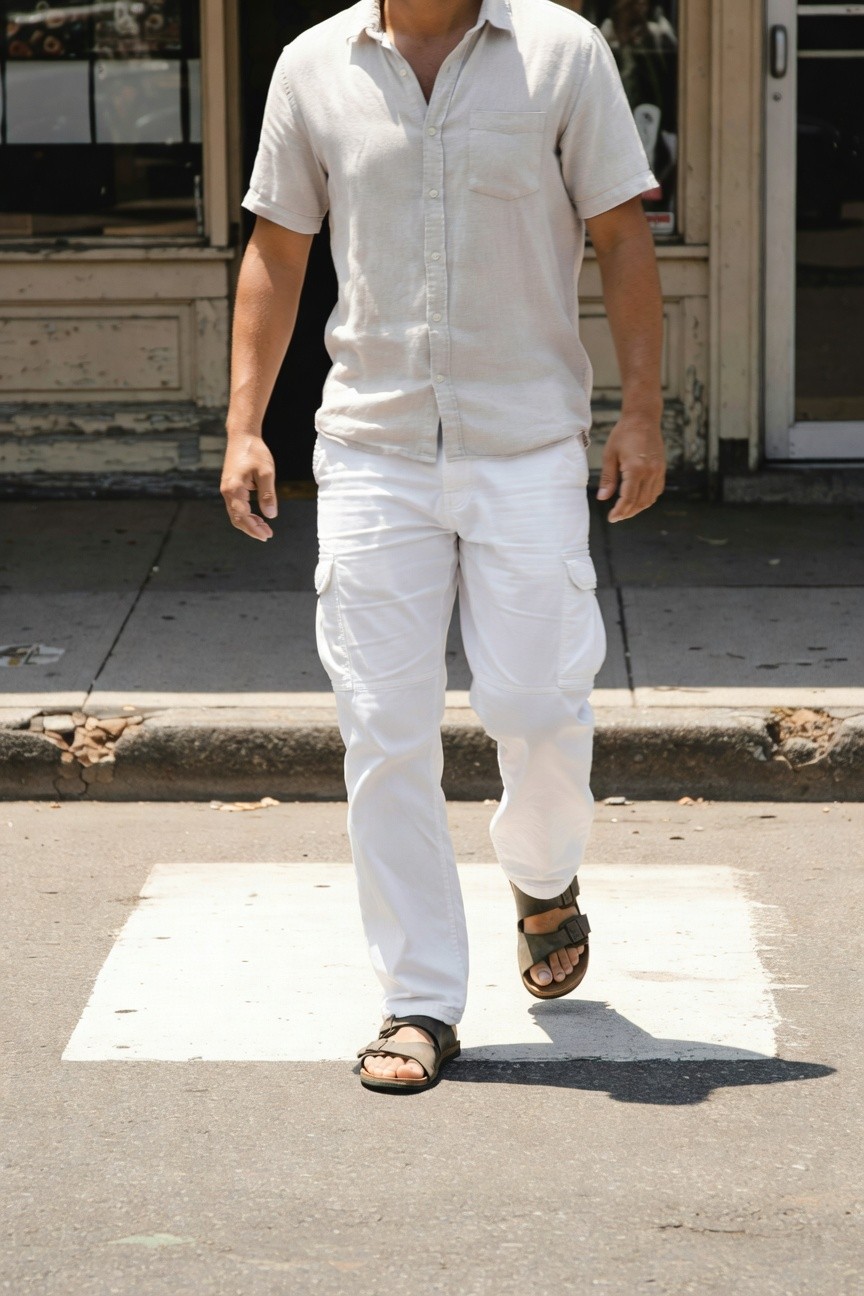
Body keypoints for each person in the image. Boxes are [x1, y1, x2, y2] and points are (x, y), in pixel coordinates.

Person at [221, 0, 665, 1093]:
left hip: (526, 448)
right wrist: (243, 426)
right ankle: (420, 998)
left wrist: (644, 411)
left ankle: (542, 876)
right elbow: (279, 249)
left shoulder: (561, 52)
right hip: (373, 451)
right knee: (383, 730)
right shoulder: (312, 65)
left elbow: (620, 233)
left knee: (539, 707)